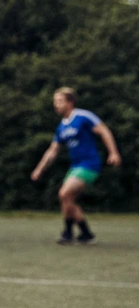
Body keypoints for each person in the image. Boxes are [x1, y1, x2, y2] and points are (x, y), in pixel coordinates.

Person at [31, 87, 121, 244]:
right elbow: (53, 151)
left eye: (59, 101)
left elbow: (104, 131)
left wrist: (113, 152)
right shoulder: (61, 127)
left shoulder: (83, 116)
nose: (56, 105)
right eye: (55, 102)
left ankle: (67, 233)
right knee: (68, 200)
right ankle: (86, 234)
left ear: (70, 102)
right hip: (75, 167)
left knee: (64, 194)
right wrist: (40, 169)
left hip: (90, 164)